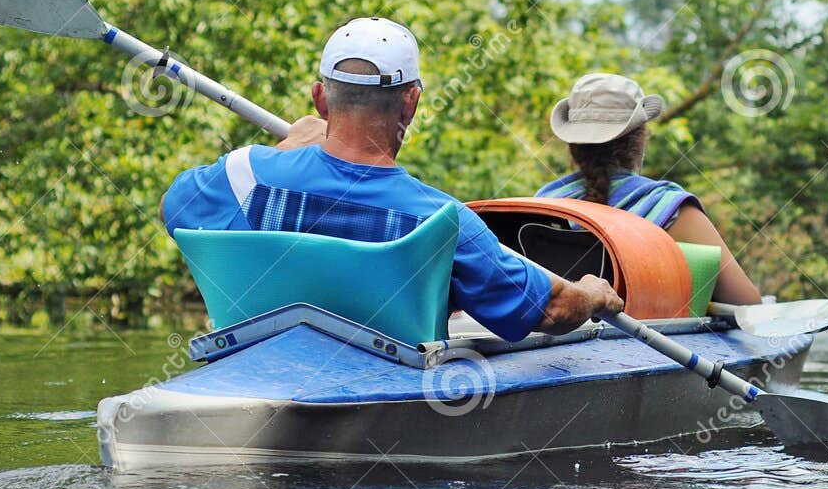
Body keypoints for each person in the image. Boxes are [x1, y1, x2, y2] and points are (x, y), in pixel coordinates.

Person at [161, 17, 622, 340]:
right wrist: (591, 294)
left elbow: (174, 207)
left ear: (320, 99)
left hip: (251, 377)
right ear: (411, 103)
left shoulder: (242, 179)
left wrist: (283, 151)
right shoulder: (441, 222)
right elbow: (552, 311)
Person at [536, 72, 762, 305]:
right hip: (645, 342)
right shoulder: (671, 208)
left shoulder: (542, 204)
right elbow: (748, 303)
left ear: (573, 147)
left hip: (555, 340)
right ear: (640, 140)